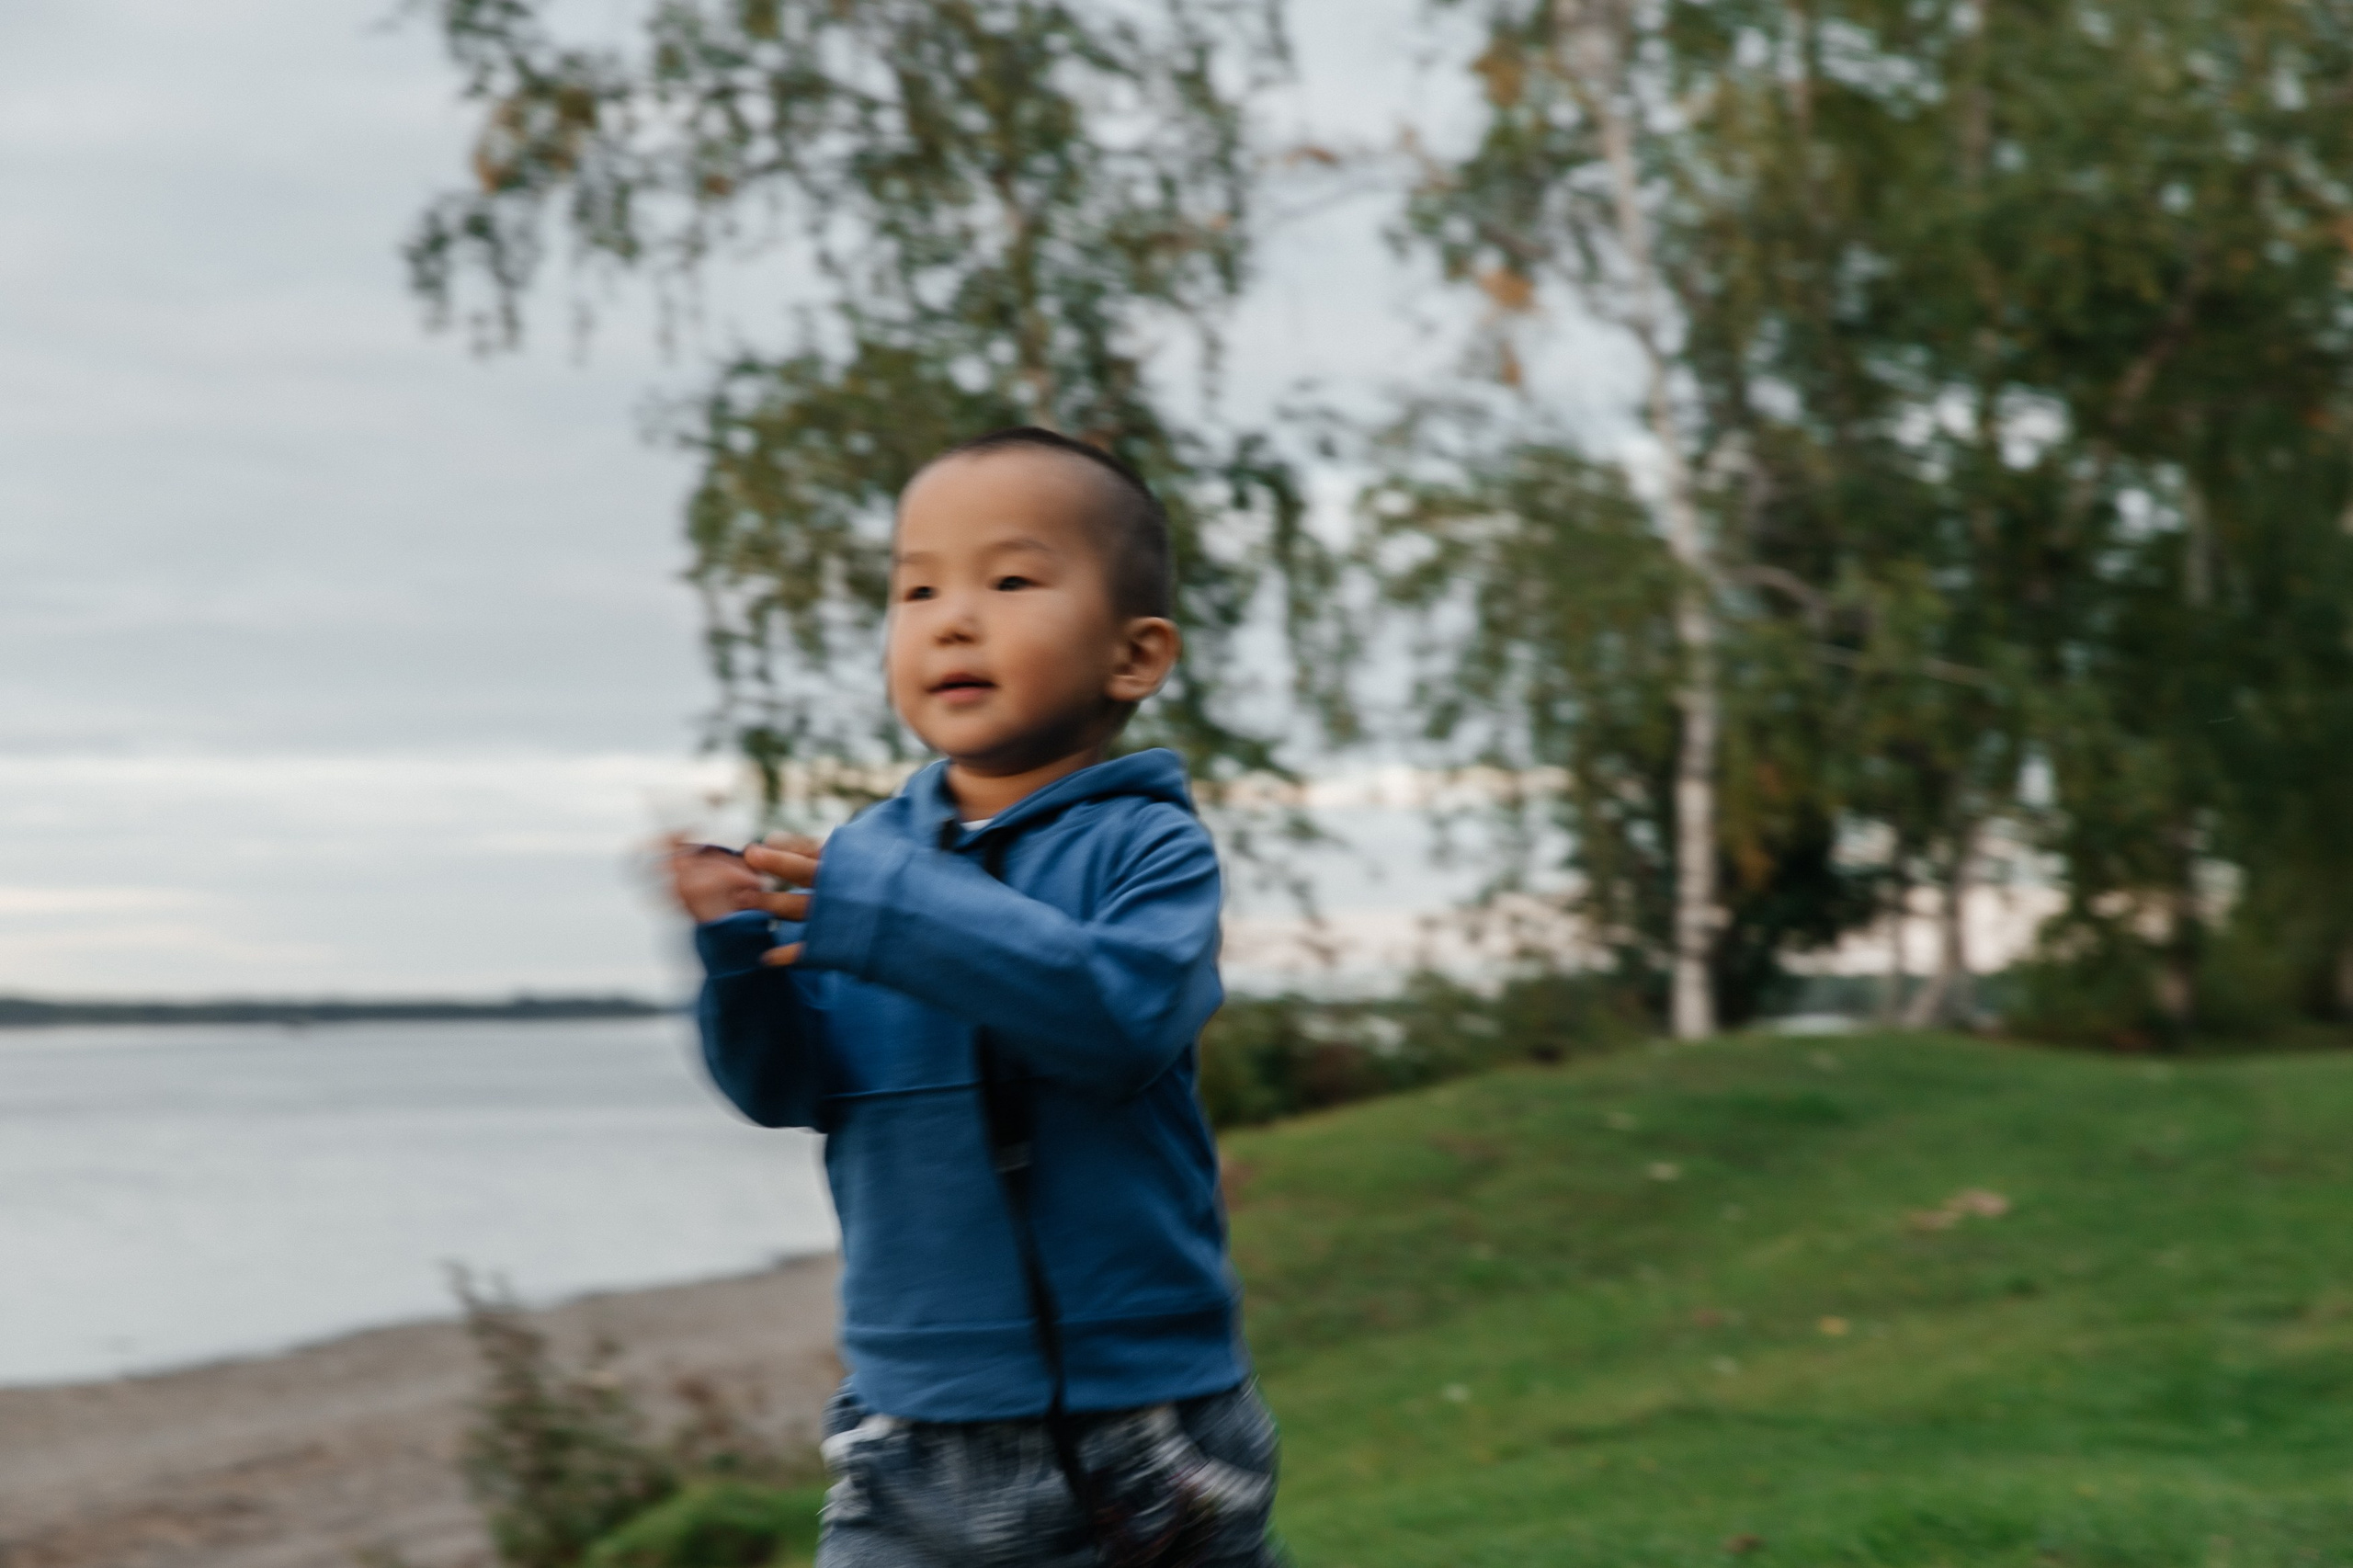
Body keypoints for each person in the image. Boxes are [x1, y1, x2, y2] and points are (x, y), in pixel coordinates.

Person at [663, 426, 1279, 1567]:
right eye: (916, 587)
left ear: (1133, 657)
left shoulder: (1148, 848)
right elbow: (793, 1087)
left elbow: (1113, 1018)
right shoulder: (864, 863)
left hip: (1132, 1429)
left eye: (1010, 579)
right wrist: (739, 954)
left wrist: (882, 907)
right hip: (904, 1427)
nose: (953, 616)